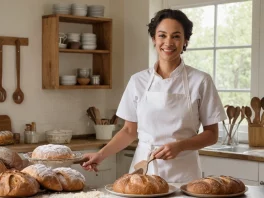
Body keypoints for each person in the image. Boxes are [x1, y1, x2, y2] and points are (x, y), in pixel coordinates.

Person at [81, 9, 226, 183]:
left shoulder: (201, 81)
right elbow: (128, 131)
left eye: (176, 36)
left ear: (185, 40)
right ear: (154, 39)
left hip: (184, 173)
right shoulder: (138, 81)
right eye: (162, 35)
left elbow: (211, 134)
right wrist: (100, 155)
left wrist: (180, 146)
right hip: (144, 172)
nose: (168, 42)